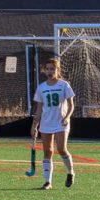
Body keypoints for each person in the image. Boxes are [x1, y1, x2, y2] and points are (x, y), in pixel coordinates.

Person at [31, 57, 76, 190]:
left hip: (61, 122)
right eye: (48, 69)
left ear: (58, 70)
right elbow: (39, 109)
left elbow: (71, 105)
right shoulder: (41, 88)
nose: (50, 71)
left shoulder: (64, 85)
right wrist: (34, 125)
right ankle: (47, 182)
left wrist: (67, 117)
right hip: (46, 123)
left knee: (61, 149)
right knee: (48, 151)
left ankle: (70, 172)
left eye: (53, 69)